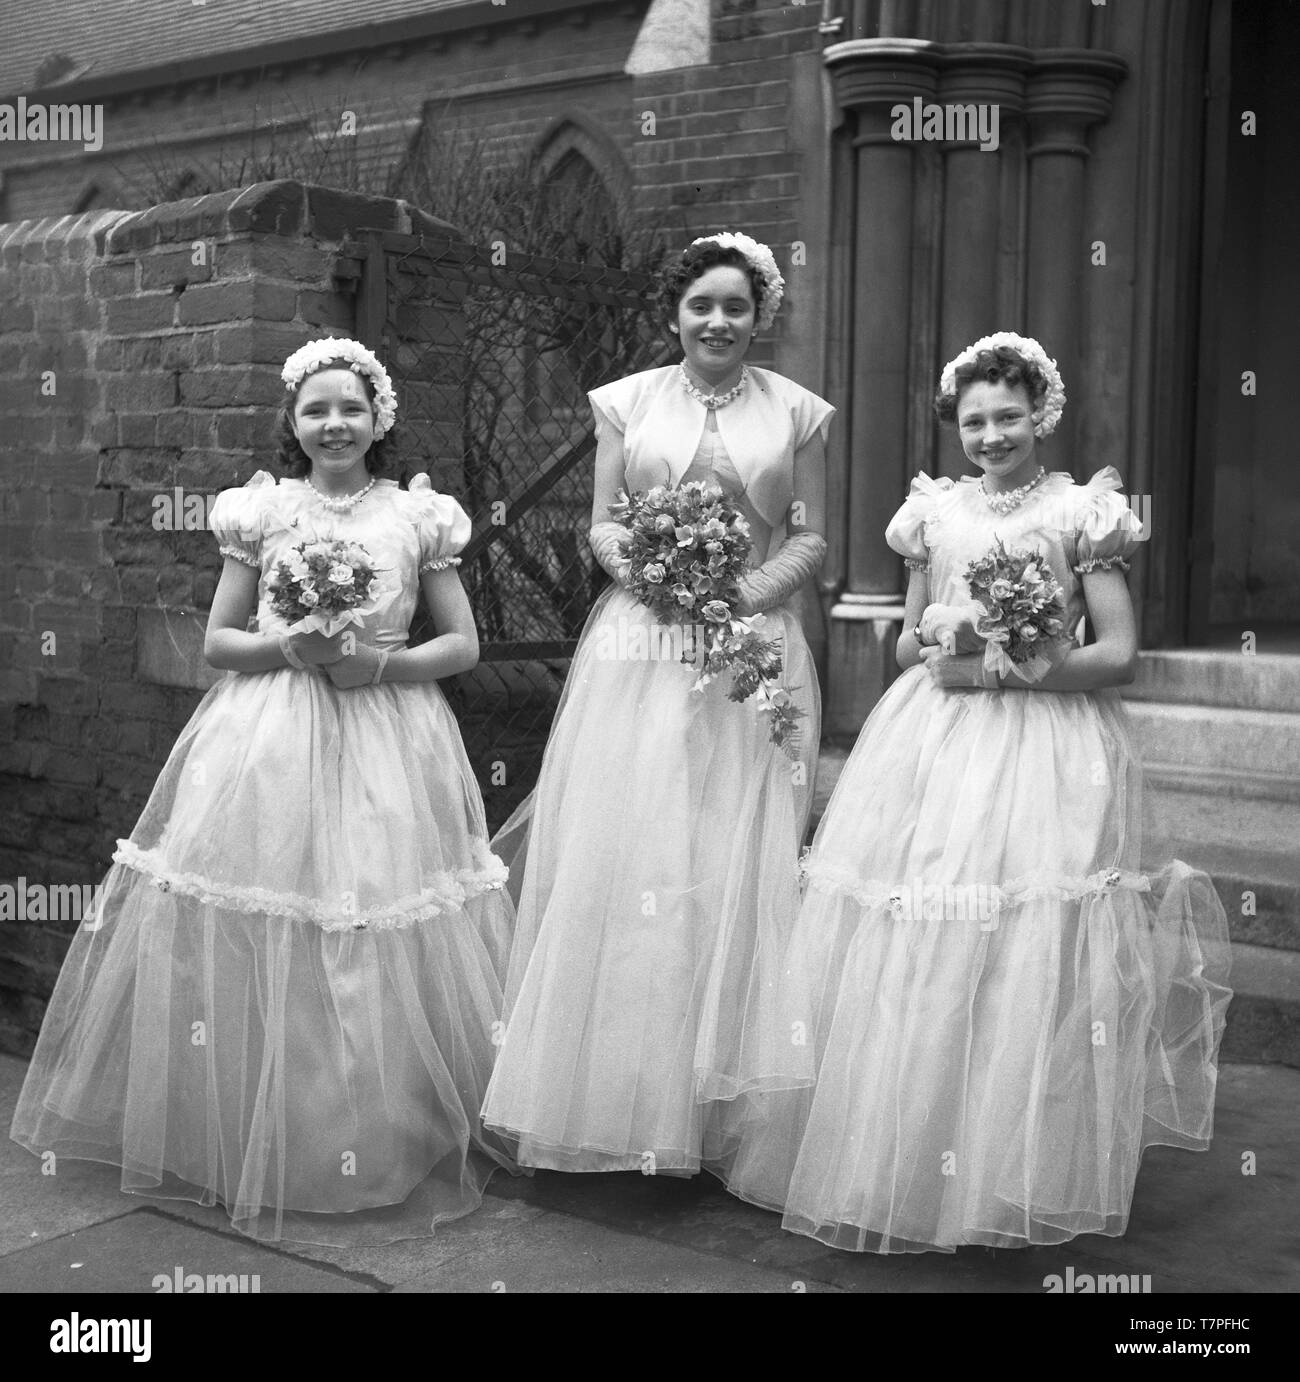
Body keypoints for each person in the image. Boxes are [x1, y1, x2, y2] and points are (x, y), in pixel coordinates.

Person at [715, 332, 1232, 1251]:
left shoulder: (1085, 513)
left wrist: (1012, 662)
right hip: (934, 740)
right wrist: (948, 636)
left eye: (1010, 416)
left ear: (1043, 415)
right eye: (975, 420)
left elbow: (1117, 654)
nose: (992, 434)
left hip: (1043, 744)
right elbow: (909, 642)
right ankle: (908, 1156)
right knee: (920, 919)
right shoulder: (932, 515)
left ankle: (1010, 1164)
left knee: (1024, 933)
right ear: (956, 426)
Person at [11, 337, 517, 1243]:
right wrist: (288, 647)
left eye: (352, 409)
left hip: (385, 737)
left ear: (379, 421)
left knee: (370, 918)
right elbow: (217, 641)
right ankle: (254, 1136)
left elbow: (462, 647)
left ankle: (375, 1137)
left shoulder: (418, 517)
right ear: (292, 422)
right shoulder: (263, 511)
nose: (334, 424)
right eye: (316, 409)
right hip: (270, 738)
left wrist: (374, 664)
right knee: (266, 915)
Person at [480, 233, 835, 1173]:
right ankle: (618, 1101)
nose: (718, 322)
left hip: (748, 652)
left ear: (761, 317)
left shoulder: (799, 412)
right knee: (633, 842)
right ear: (673, 314)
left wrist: (739, 598)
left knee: (731, 844)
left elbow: (809, 537)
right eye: (700, 306)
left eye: (737, 307)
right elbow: (602, 522)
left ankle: (723, 1114)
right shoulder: (626, 402)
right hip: (639, 644)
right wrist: (661, 580)